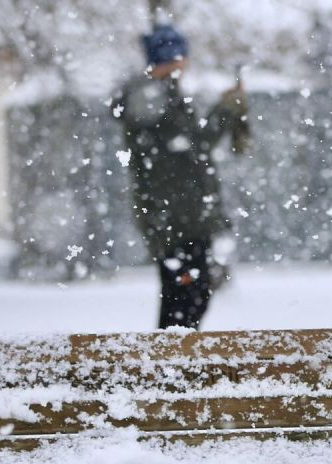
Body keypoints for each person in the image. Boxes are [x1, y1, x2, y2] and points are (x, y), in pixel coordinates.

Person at [112, 23, 245, 329]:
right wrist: (226, 111)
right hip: (175, 218)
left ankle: (174, 352)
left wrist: (224, 110)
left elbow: (190, 145)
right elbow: (191, 145)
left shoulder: (161, 96)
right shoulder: (149, 97)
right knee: (185, 297)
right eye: (179, 58)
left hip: (183, 216)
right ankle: (171, 354)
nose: (184, 65)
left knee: (189, 295)